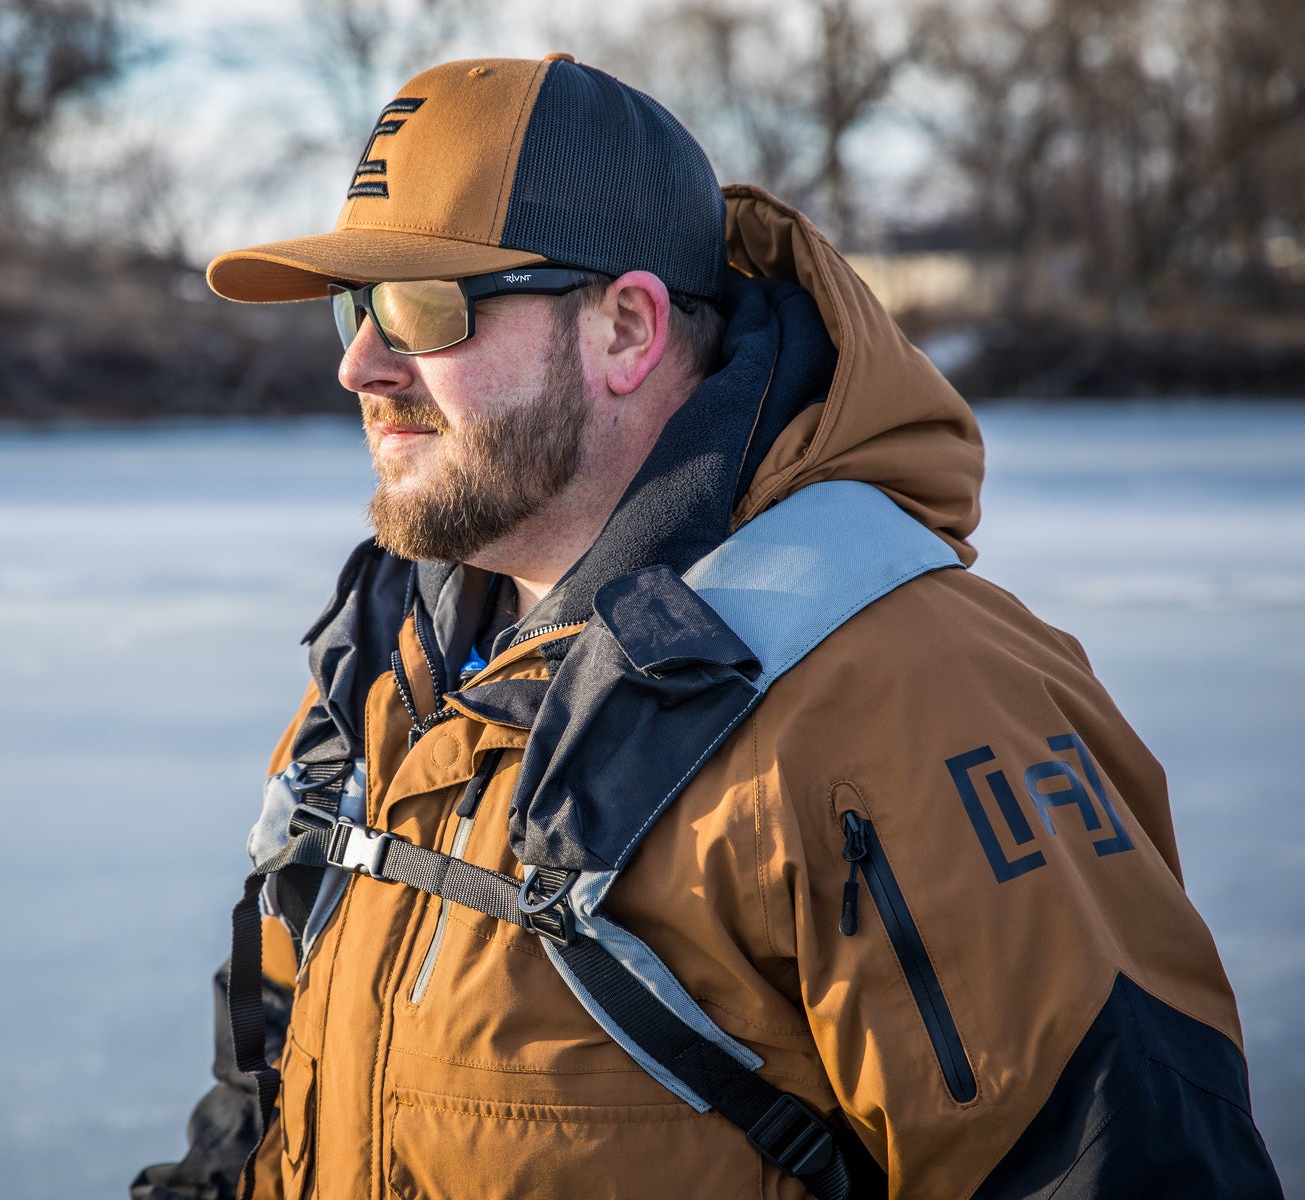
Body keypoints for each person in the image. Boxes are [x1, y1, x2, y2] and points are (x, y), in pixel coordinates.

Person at [133, 54, 1281, 1200]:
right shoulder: (385, 662)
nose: (358, 364)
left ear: (627, 328)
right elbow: (262, 1114)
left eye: (424, 308)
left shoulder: (917, 696)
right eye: (353, 305)